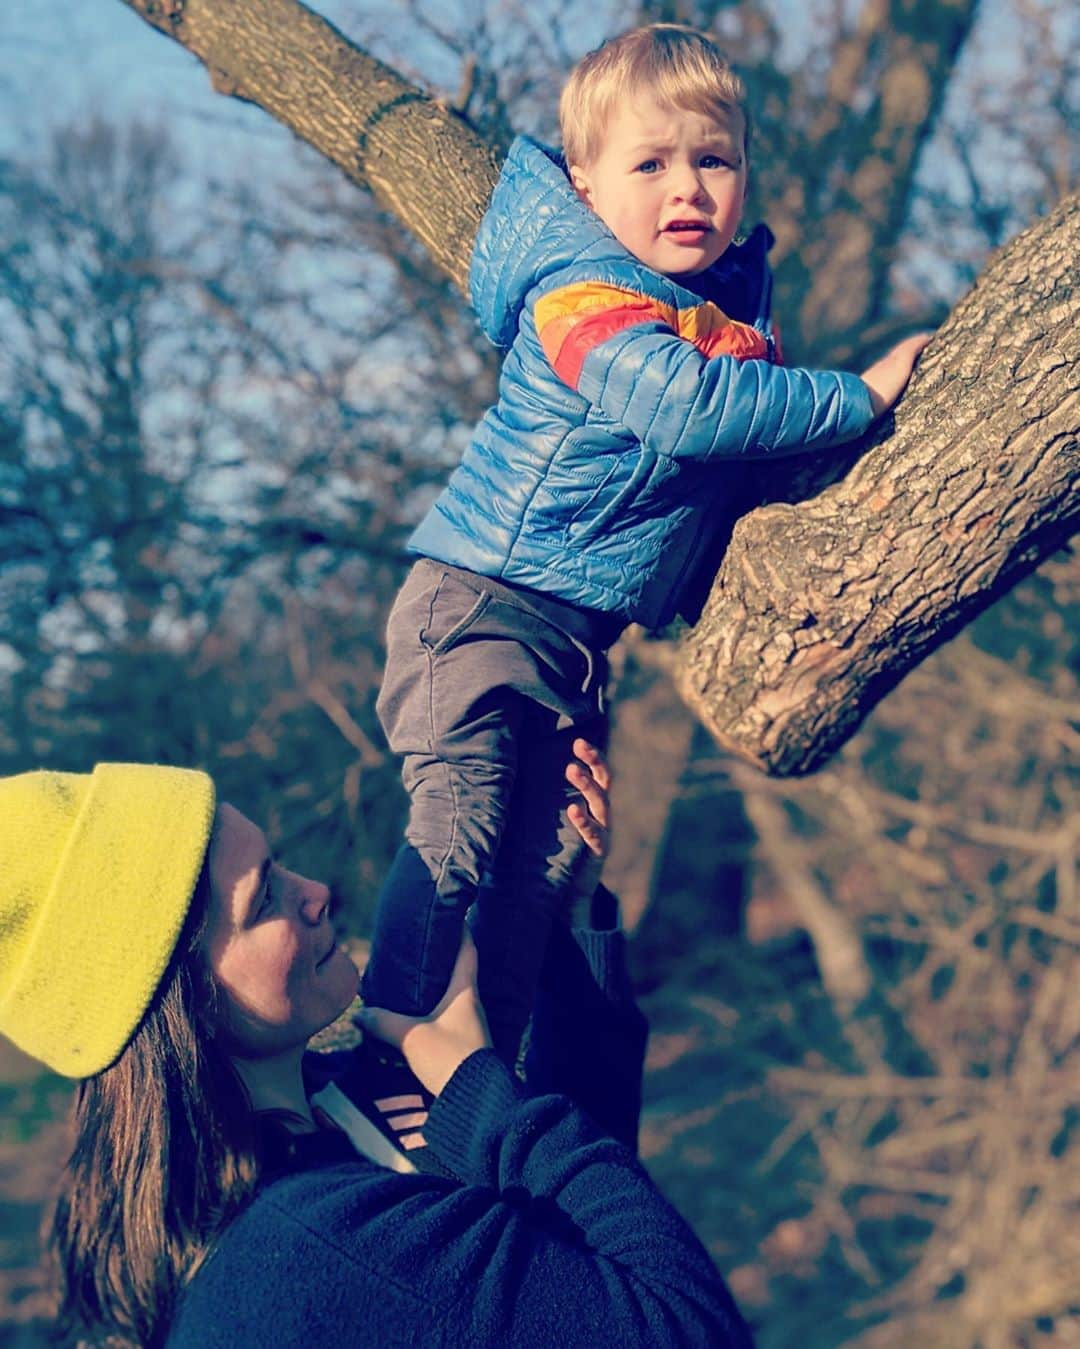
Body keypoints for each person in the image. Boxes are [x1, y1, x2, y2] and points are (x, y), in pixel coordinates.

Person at [362, 22, 932, 1065]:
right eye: (652, 163)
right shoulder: (587, 299)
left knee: (545, 862)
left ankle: (480, 1072)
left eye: (714, 160)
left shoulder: (708, 314)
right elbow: (693, 413)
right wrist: (862, 395)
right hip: (479, 608)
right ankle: (387, 1028)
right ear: (584, 187)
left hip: (570, 641)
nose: (689, 189)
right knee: (460, 816)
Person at [0, 745, 754, 1348]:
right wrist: (481, 1096)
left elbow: (573, 1249)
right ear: (181, 1004)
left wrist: (568, 916)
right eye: (263, 898)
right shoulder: (309, 1252)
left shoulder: (327, 1119)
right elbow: (691, 1329)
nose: (316, 889)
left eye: (280, 862)